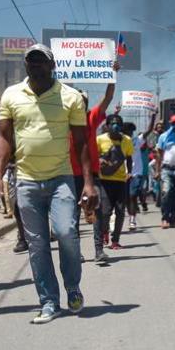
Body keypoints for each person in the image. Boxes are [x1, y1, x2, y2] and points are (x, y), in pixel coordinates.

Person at [0, 44, 98, 324]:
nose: (35, 65)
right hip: (26, 180)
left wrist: (88, 182)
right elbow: (4, 138)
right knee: (37, 245)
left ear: (52, 66)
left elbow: (81, 142)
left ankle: (72, 286)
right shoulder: (11, 95)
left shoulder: (71, 97)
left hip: (61, 179)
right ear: (25, 65)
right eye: (31, 61)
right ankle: (49, 301)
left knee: (66, 233)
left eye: (41, 61)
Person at [69, 82, 114, 263]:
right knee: (73, 215)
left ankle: (99, 250)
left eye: (83, 101)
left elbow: (108, 98)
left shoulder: (91, 118)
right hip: (71, 175)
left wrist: (112, 77)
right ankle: (76, 252)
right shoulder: (64, 122)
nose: (80, 104)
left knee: (97, 209)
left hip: (92, 174)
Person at [98, 114, 133, 248]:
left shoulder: (127, 140)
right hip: (104, 181)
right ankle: (104, 232)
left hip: (121, 181)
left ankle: (115, 240)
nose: (115, 126)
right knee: (105, 212)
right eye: (112, 123)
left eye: (118, 123)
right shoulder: (100, 139)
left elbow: (129, 158)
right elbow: (94, 157)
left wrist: (129, 172)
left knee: (120, 211)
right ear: (107, 126)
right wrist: (101, 160)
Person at [128, 113, 157, 230]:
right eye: (128, 131)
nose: (130, 133)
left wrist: (153, 117)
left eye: (131, 131)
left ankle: (132, 220)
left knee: (132, 195)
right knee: (125, 198)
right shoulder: (120, 141)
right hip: (121, 174)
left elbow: (149, 130)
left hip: (136, 173)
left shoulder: (137, 140)